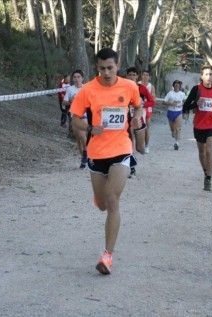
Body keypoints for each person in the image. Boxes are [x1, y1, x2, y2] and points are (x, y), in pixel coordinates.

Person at [69, 48, 143, 275]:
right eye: (102, 68)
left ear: (117, 65)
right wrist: (90, 127)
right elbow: (75, 120)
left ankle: (107, 256)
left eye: (110, 68)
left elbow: (137, 105)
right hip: (96, 153)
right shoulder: (88, 90)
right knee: (102, 203)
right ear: (96, 67)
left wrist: (137, 115)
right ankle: (98, 197)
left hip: (121, 149)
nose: (106, 72)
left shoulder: (129, 86)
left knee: (112, 201)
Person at [183, 64, 212, 191]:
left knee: (209, 149)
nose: (209, 77)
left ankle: (208, 179)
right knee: (202, 152)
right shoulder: (196, 89)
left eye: (211, 74)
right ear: (202, 76)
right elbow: (185, 106)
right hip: (199, 124)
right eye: (206, 74)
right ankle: (206, 172)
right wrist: (196, 103)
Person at [63, 70, 87, 168]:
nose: (77, 79)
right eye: (75, 77)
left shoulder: (86, 88)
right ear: (72, 79)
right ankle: (83, 159)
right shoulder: (70, 89)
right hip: (74, 114)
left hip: (84, 114)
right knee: (78, 139)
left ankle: (86, 154)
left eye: (78, 77)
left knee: (82, 135)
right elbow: (64, 102)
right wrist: (70, 102)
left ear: (82, 78)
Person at [164, 80, 186, 150]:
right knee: (173, 130)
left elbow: (185, 101)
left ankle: (176, 143)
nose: (177, 86)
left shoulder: (182, 94)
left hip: (178, 112)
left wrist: (183, 104)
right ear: (173, 86)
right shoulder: (170, 93)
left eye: (178, 85)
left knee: (178, 129)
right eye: (175, 85)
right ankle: (173, 132)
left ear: (180, 86)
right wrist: (171, 103)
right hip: (170, 112)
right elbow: (164, 102)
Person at [140, 70, 156, 153]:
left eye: (147, 75)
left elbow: (153, 99)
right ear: (141, 76)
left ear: (149, 77)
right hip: (138, 107)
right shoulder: (137, 84)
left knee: (146, 127)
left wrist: (145, 101)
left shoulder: (151, 86)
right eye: (144, 74)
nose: (145, 76)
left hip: (147, 107)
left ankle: (146, 146)